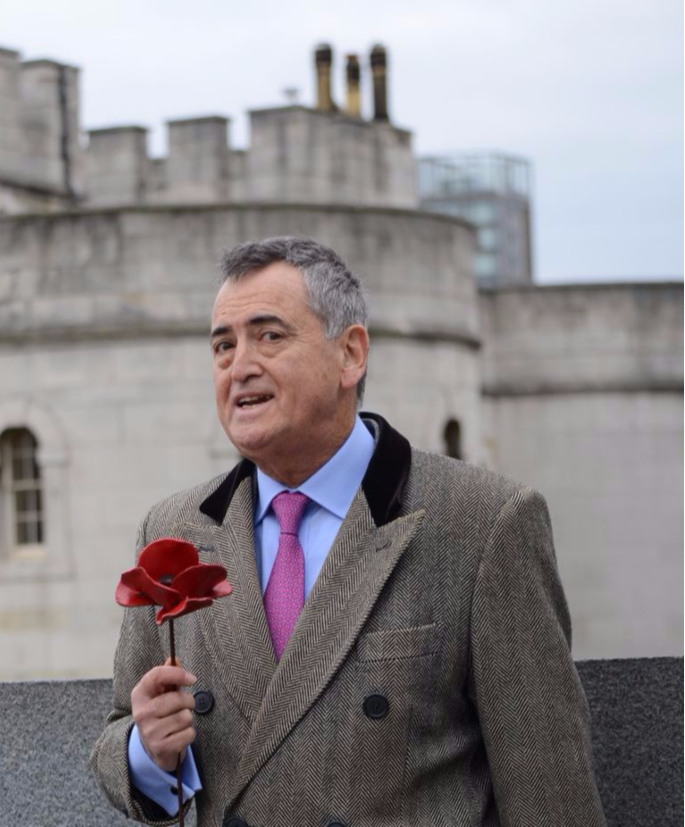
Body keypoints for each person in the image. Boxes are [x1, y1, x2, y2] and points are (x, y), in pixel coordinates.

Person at [90, 237, 605, 827]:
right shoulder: (175, 531)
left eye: (270, 336)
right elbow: (116, 736)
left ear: (350, 354)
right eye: (223, 346)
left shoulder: (484, 522)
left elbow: (550, 796)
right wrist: (144, 752)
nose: (240, 366)